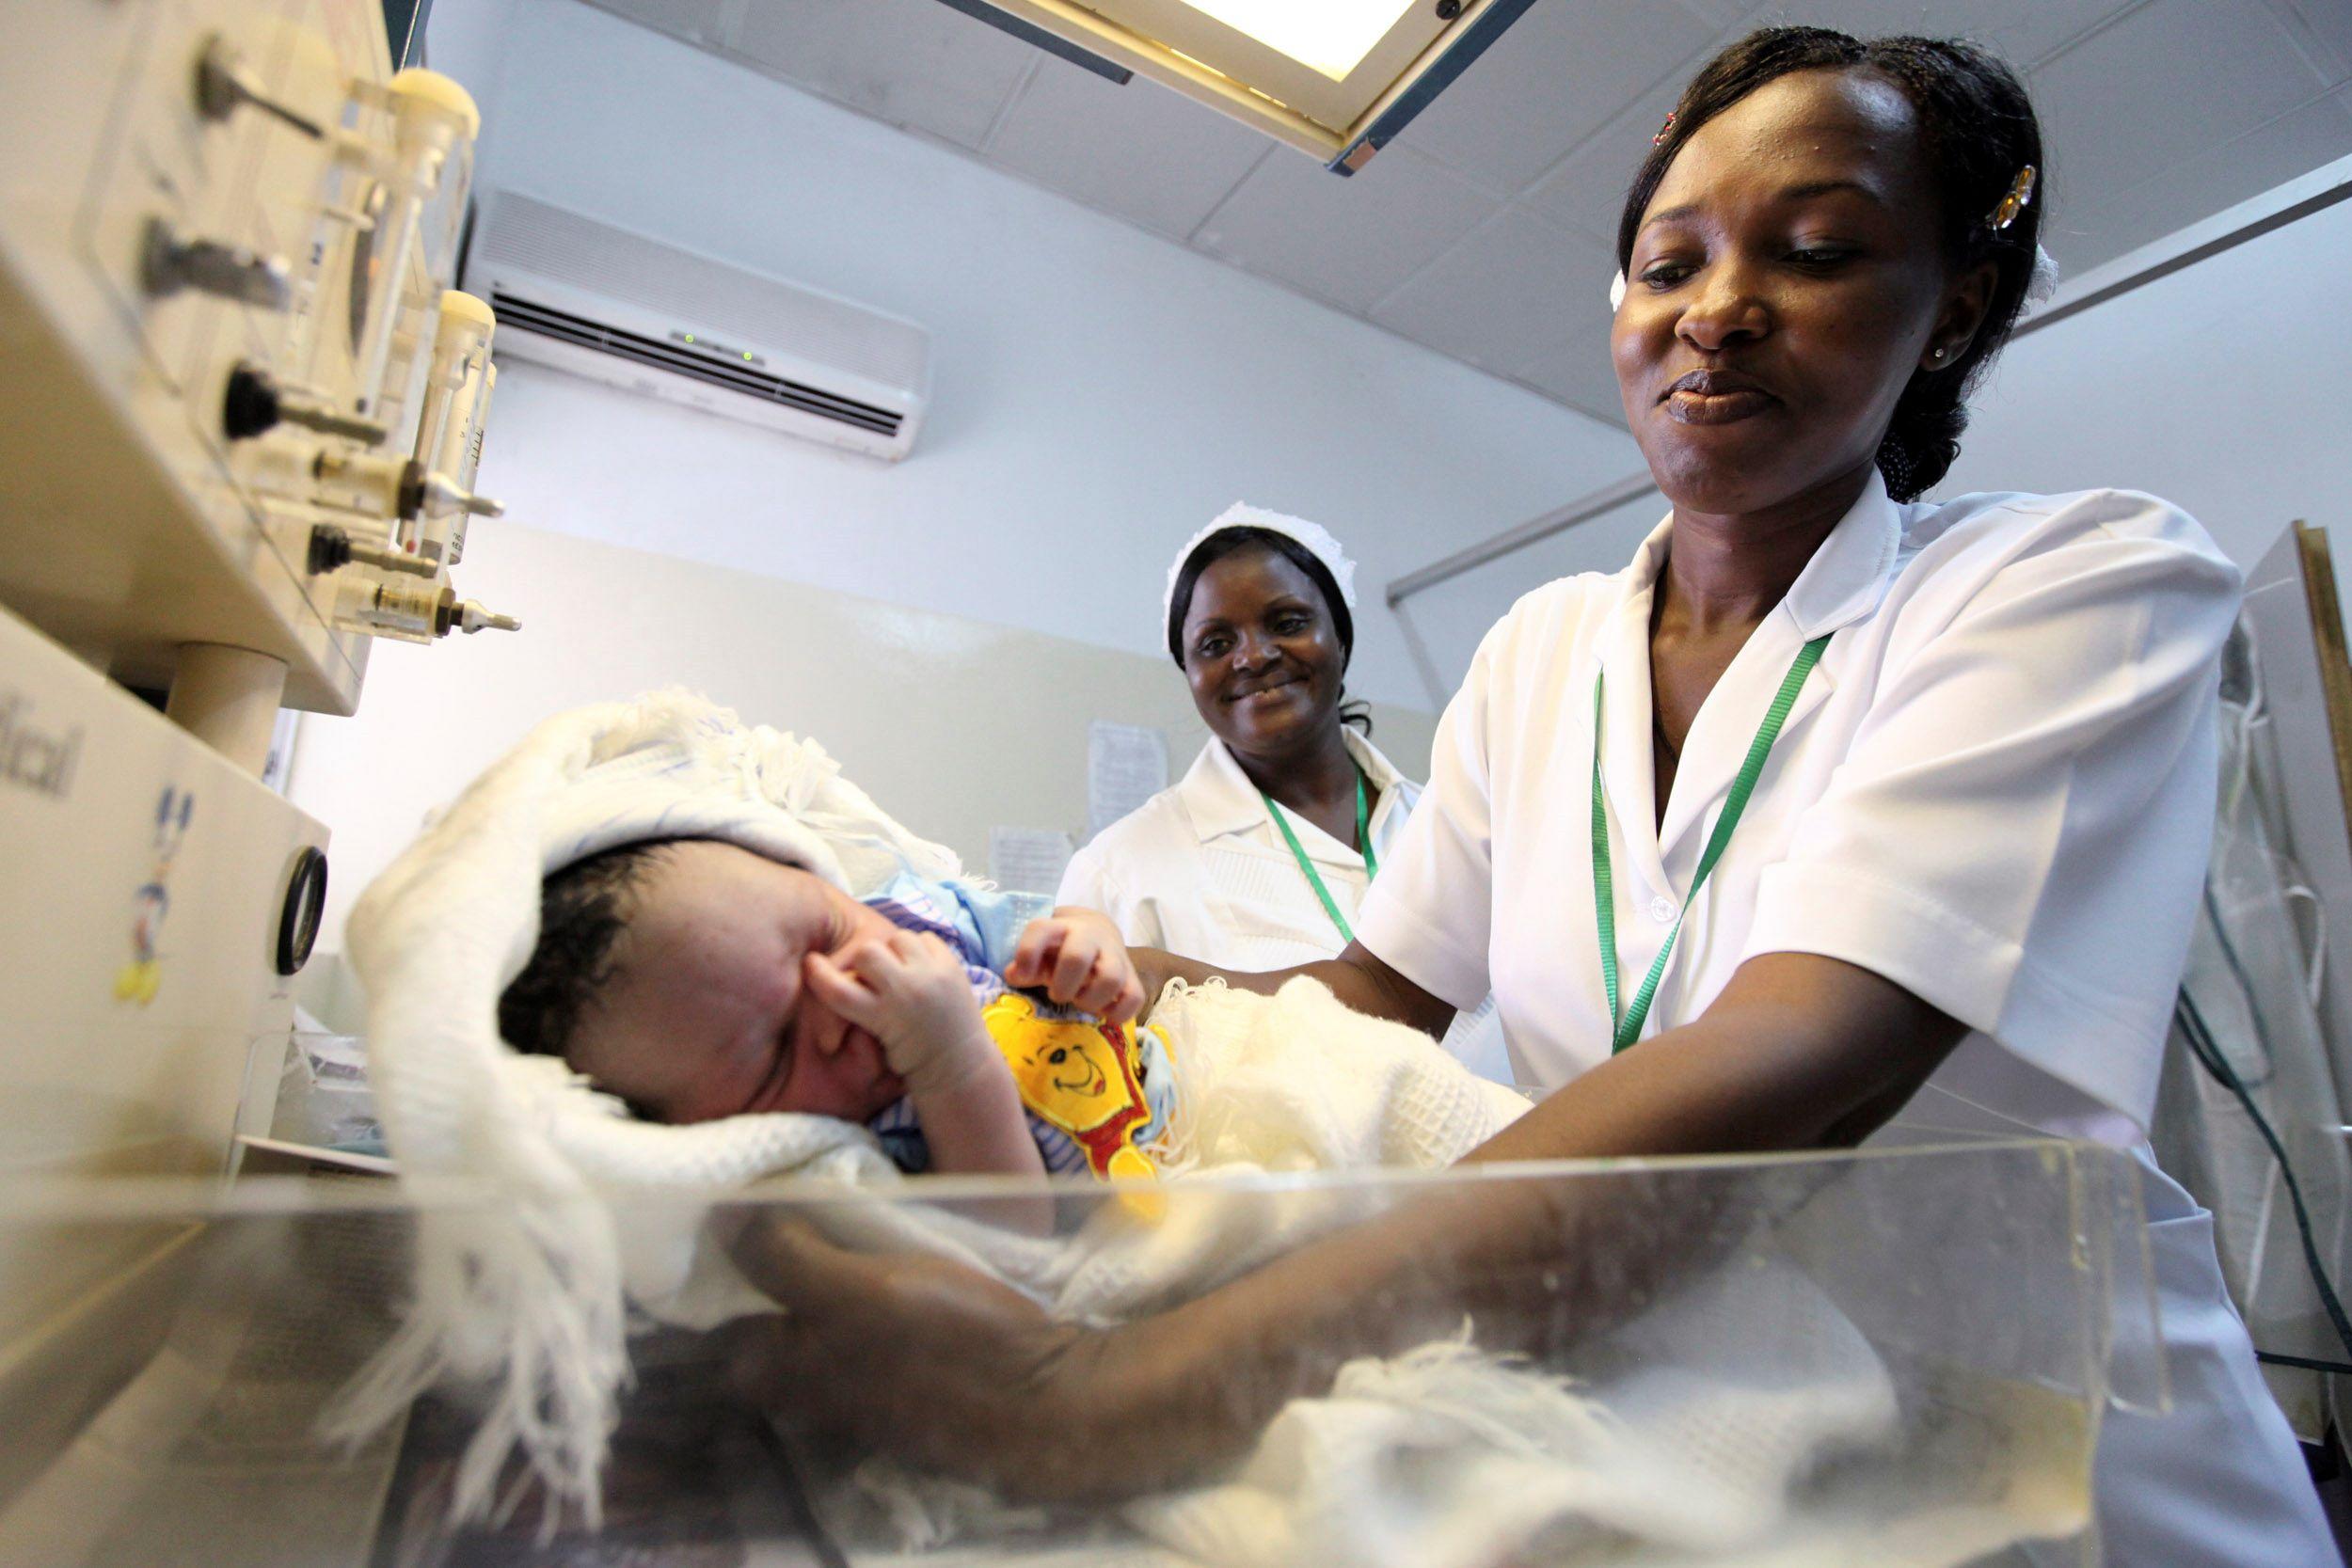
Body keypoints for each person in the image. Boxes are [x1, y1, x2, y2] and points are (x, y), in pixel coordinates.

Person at [726, 27, 2336, 1564]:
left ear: (1957, 305)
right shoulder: (1542, 648)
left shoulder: (2071, 586)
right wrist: (1053, 958)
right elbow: (1373, 990)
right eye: (1669, 261)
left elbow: (1796, 1064)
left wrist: (1129, 1389)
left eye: (1820, 250)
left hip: (2061, 1472)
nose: (1718, 309)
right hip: (1691, 1439)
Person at [1061, 505, 1507, 1076]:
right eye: (1215, 643)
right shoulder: (1118, 870)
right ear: (1189, 672)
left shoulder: (1450, 822)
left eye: (1288, 623)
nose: (1252, 656)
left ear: (1339, 638)